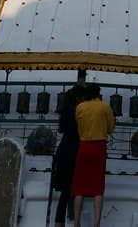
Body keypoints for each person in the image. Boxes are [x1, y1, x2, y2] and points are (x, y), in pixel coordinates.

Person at [71, 84, 115, 227]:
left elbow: (79, 129)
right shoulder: (104, 107)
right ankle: (96, 223)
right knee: (97, 187)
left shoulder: (80, 107)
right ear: (98, 93)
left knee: (79, 187)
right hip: (99, 147)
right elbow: (110, 129)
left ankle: (76, 222)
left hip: (84, 147)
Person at [52, 86, 83, 227]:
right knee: (74, 189)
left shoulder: (65, 112)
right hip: (73, 151)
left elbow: (62, 130)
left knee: (65, 191)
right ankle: (75, 221)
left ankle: (59, 222)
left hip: (63, 150)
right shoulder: (77, 113)